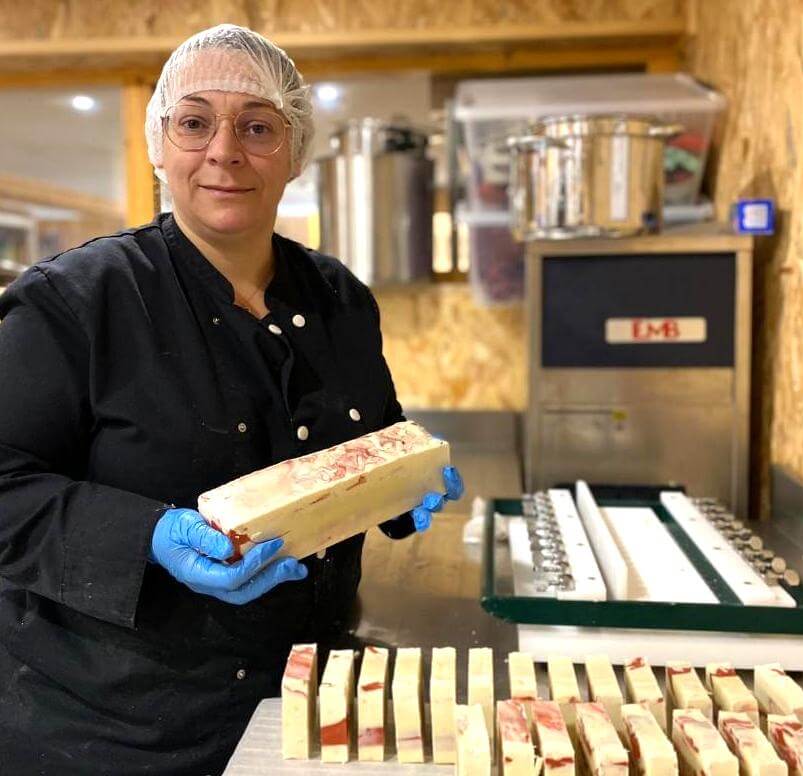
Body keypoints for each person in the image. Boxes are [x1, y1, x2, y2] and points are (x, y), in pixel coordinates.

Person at [0, 24, 464, 775]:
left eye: (257, 126)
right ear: (159, 144)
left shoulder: (339, 297)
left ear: (296, 152)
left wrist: (398, 484)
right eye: (194, 122)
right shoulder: (75, 302)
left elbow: (369, 434)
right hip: (109, 728)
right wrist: (147, 534)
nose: (224, 150)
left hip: (303, 697)